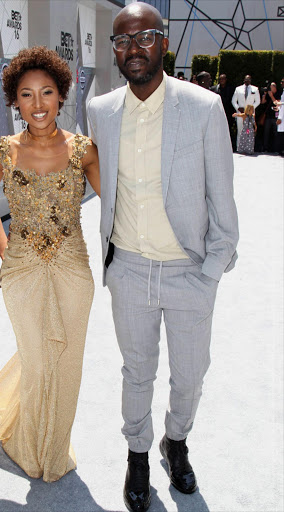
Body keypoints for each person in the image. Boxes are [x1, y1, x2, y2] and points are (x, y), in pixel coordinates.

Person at [87, 3, 239, 511]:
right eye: (122, 40)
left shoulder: (202, 106)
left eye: (144, 37)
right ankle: (137, 454)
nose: (133, 48)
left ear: (164, 42)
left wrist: (211, 272)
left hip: (188, 272)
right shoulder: (101, 111)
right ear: (115, 50)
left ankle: (176, 441)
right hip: (128, 268)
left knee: (191, 375)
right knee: (136, 372)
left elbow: (223, 199)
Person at [0, 46, 100, 482]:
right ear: (14, 101)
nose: (38, 104)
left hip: (74, 267)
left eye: (47, 92)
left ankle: (55, 448)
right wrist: (7, 249)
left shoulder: (84, 149)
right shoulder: (2, 151)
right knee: (37, 359)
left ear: (62, 96)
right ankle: (29, 445)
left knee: (68, 361)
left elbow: (119, 203)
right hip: (22, 268)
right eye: (27, 95)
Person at [232, 75, 260, 148]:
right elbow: (233, 101)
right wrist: (238, 108)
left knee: (249, 131)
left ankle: (249, 147)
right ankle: (239, 147)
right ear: (244, 80)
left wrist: (251, 108)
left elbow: (258, 101)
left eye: (249, 79)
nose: (247, 80)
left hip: (250, 114)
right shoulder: (238, 89)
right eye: (246, 79)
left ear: (250, 80)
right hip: (240, 113)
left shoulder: (255, 89)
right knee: (240, 130)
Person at [211, 74, 236, 149]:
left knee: (228, 129)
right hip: (217, 111)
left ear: (226, 80)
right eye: (220, 79)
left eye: (223, 79)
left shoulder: (230, 89)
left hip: (227, 112)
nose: (222, 80)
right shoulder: (214, 88)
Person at [261, 82, 281, 153]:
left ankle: (276, 149)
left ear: (274, 87)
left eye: (271, 87)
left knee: (276, 133)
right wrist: (265, 94)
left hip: (276, 116)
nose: (270, 89)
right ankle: (265, 148)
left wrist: (271, 96)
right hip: (268, 116)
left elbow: (277, 103)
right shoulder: (268, 94)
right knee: (266, 133)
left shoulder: (279, 93)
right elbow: (263, 102)